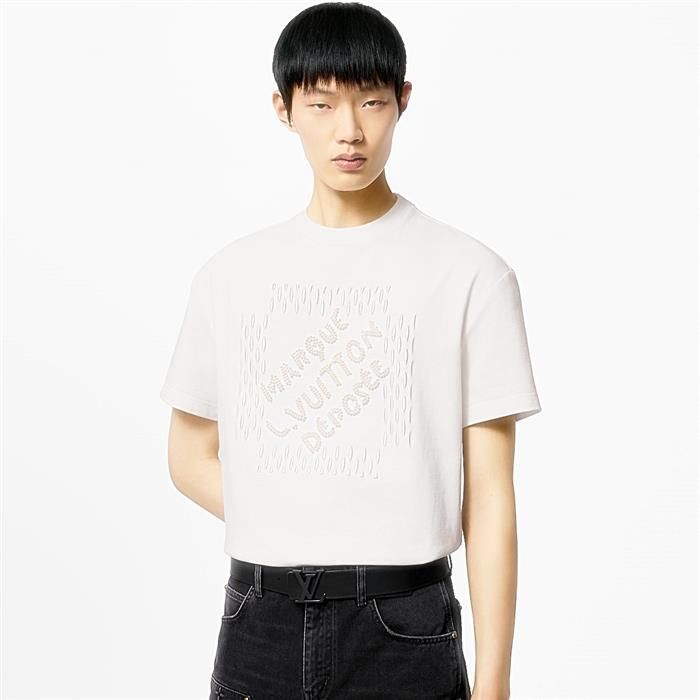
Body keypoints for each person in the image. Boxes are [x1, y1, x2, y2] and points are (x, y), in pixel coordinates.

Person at [159, 3, 542, 699]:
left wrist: (494, 683)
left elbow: (490, 497)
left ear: (403, 101)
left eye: (371, 101)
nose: (350, 131)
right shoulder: (231, 276)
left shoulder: (470, 274)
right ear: (283, 108)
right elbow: (188, 459)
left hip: (405, 624)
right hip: (259, 621)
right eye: (322, 104)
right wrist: (304, 515)